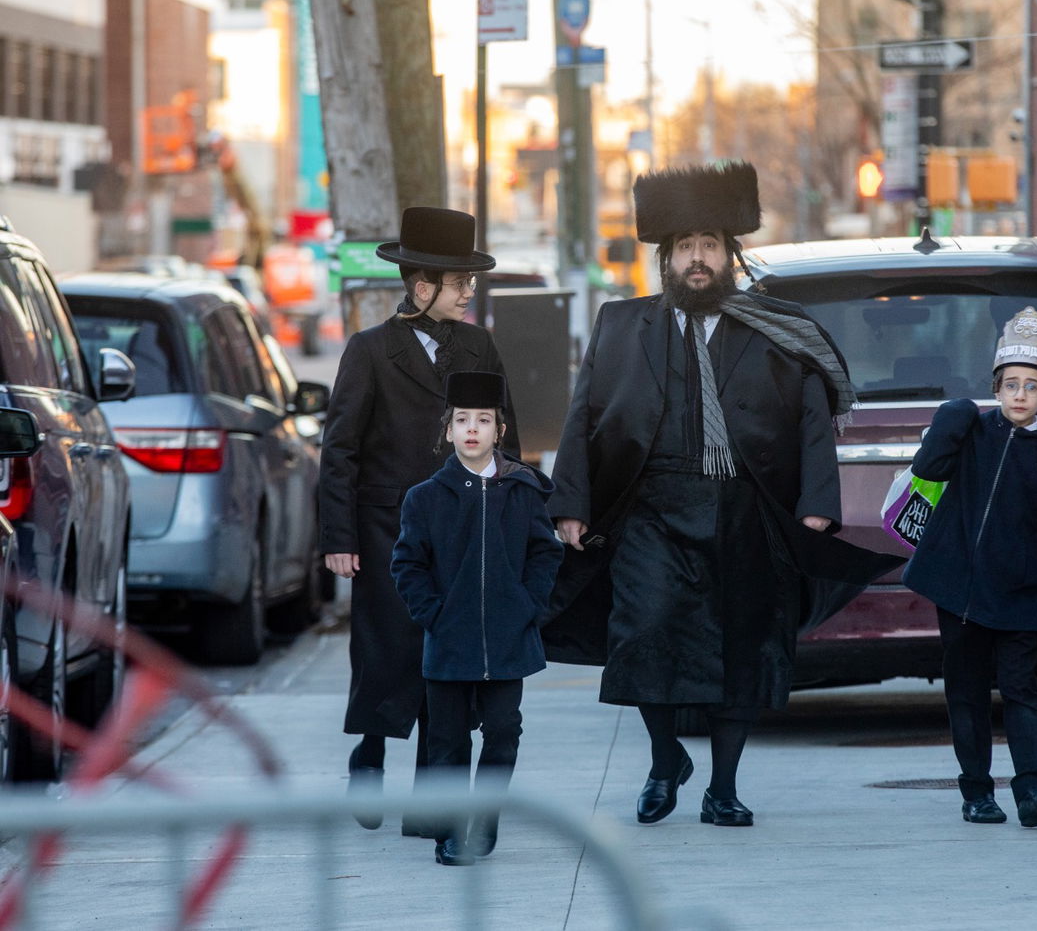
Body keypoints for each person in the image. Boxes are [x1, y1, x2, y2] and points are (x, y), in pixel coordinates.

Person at [544, 162, 901, 828]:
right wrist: (571, 502)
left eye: (710, 244)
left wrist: (818, 504)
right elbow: (584, 412)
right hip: (650, 509)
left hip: (747, 509)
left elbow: (811, 420)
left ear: (729, 255)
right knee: (644, 633)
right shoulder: (622, 326)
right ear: (666, 259)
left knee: (743, 647)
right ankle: (663, 761)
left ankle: (724, 787)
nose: (699, 259)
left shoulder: (776, 329)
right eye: (686, 247)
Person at [319, 207, 519, 834]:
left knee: (448, 657)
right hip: (386, 528)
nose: (468, 294)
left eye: (469, 283)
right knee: (386, 649)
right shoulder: (370, 351)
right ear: (421, 284)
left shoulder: (479, 345)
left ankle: (430, 804)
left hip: (462, 526)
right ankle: (370, 755)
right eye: (460, 283)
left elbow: (502, 434)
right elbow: (340, 447)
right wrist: (338, 538)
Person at [901, 306, 1037, 828]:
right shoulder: (972, 432)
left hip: (1016, 594)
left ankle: (1032, 789)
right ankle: (977, 792)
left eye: (1031, 386)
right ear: (996, 387)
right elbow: (928, 467)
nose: (1019, 395)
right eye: (1010, 384)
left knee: (1020, 690)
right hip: (959, 591)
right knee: (965, 692)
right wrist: (953, 413)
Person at [391, 371, 562, 866]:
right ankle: (449, 831)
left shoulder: (521, 490)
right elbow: (407, 563)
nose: (472, 429)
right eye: (462, 420)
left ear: (498, 431)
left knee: (504, 731)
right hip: (448, 641)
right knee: (446, 742)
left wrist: (529, 605)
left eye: (483, 421)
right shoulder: (424, 497)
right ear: (448, 431)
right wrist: (434, 614)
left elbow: (544, 553)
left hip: (509, 641)